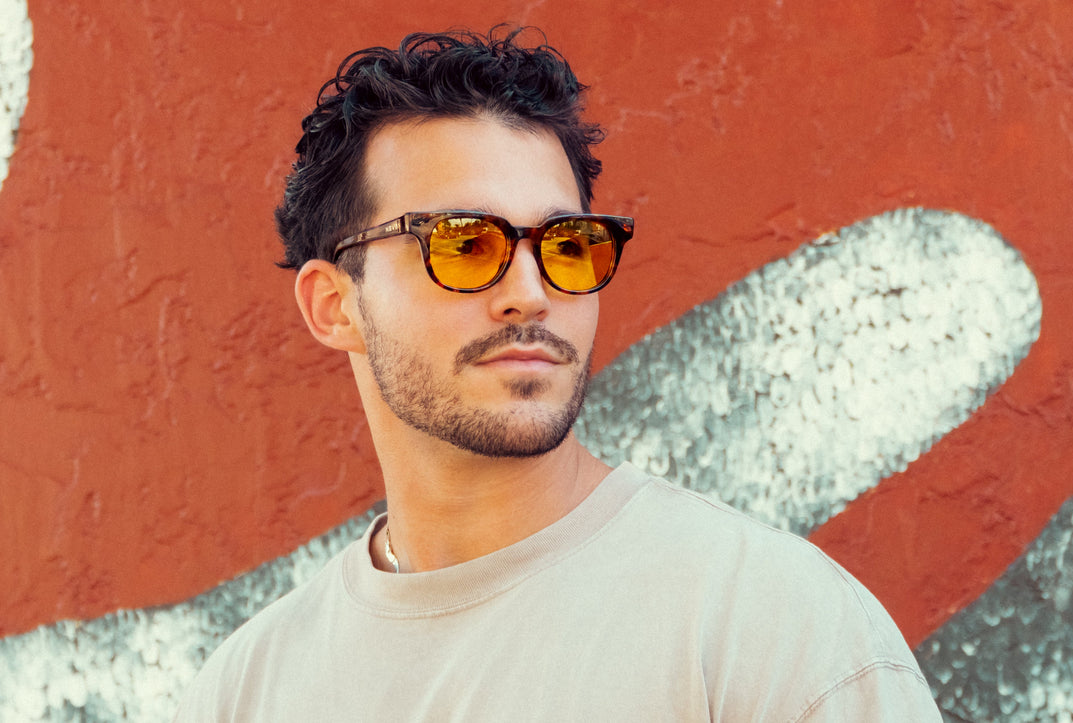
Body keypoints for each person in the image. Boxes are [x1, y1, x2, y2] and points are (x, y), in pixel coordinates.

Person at [175, 27, 941, 721]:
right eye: (463, 243)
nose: (531, 292)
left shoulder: (771, 629)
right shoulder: (248, 691)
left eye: (566, 245)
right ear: (335, 304)